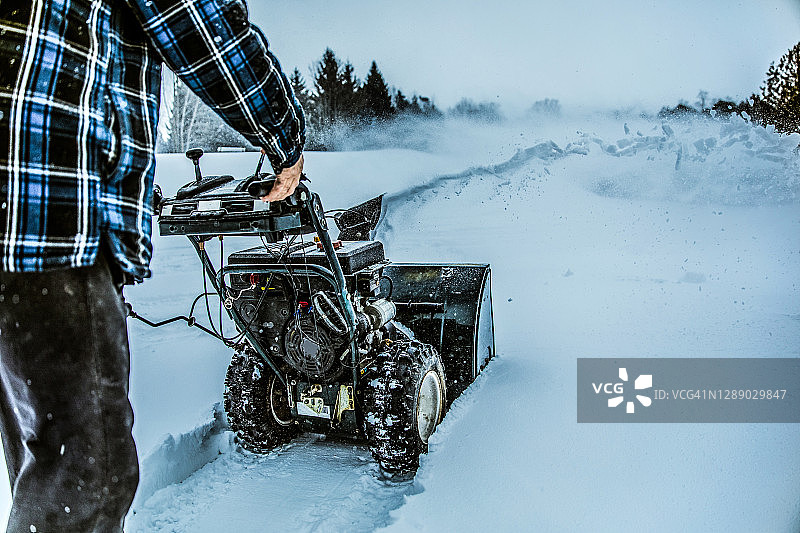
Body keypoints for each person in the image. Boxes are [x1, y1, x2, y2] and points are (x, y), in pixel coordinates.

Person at [0, 0, 305, 530]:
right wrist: (284, 138)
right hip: (46, 197)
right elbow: (193, 18)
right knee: (87, 475)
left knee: (45, 456)